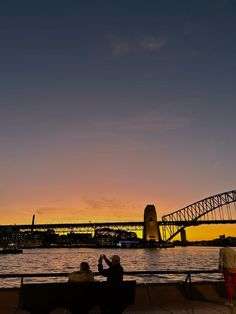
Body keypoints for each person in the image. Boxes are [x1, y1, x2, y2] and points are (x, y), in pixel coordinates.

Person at [219, 238, 236, 307]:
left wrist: (220, 268)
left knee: (228, 285)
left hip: (226, 269)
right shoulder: (233, 251)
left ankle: (230, 302)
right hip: (234, 270)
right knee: (235, 285)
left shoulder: (222, 250)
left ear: (223, 243)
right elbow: (234, 262)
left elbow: (221, 261)